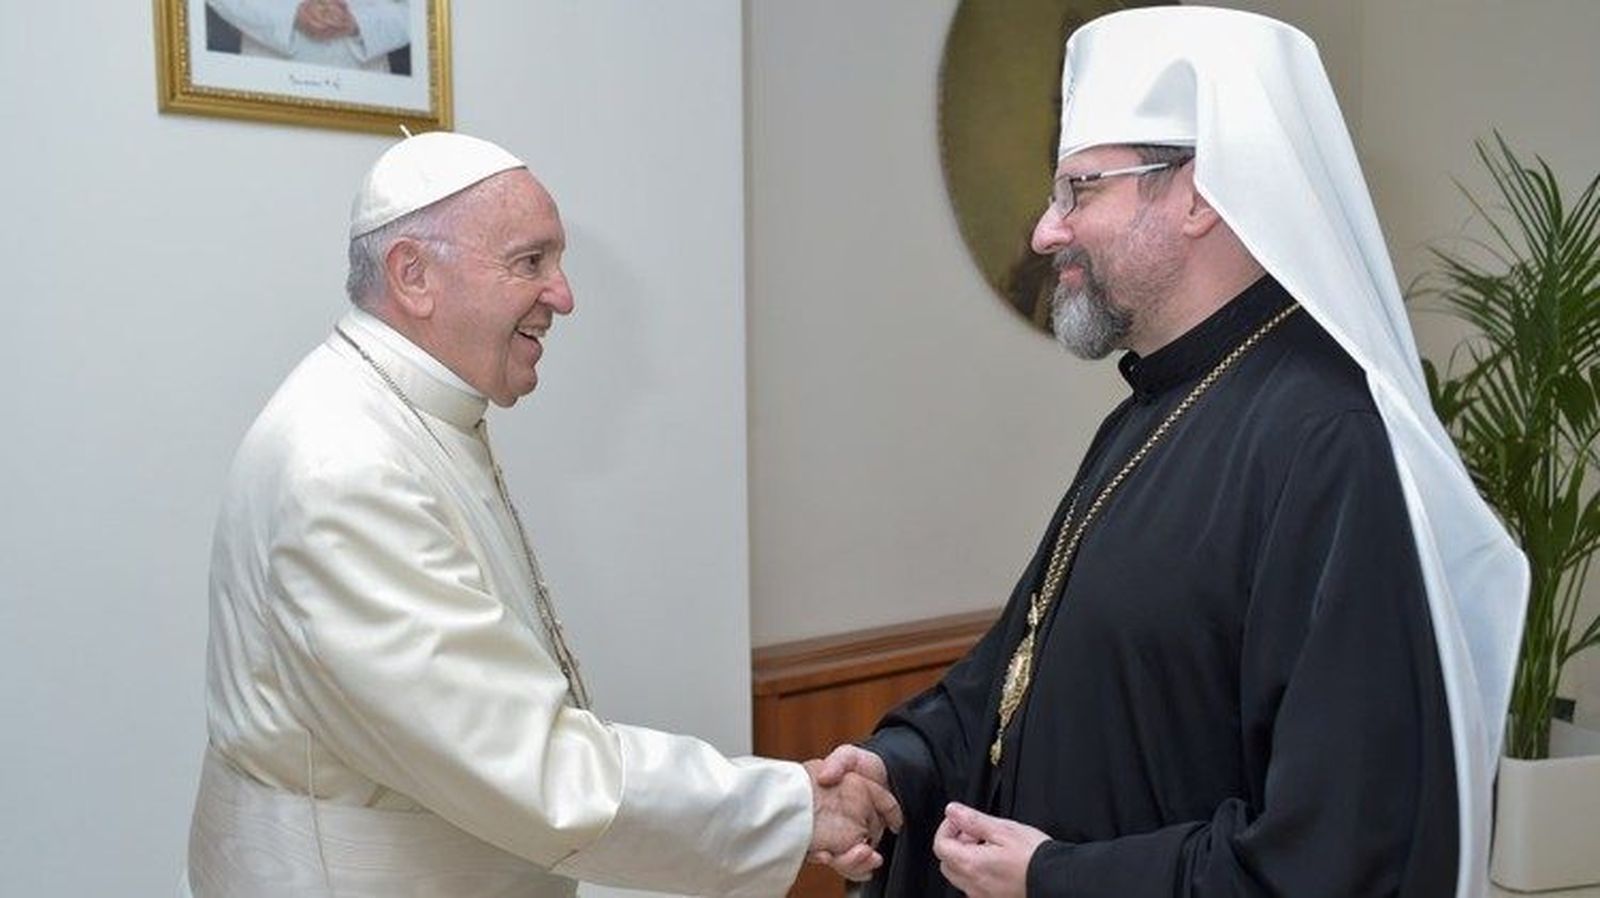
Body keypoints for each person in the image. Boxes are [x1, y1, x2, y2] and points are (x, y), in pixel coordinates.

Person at [813, 7, 1527, 897]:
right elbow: (1014, 674)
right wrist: (898, 766)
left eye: (1081, 189)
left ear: (1198, 193)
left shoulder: (1329, 442)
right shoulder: (1150, 408)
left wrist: (1055, 878)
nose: (1046, 230)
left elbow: (1337, 850)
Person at [185, 132, 900, 898]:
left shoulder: (400, 416)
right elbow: (530, 766)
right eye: (530, 262)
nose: (563, 295)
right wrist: (796, 809)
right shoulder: (347, 466)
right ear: (414, 275)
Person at [206, 0, 409, 73]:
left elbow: (428, 12)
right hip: (268, 69)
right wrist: (289, 15)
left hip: (366, 82)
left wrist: (359, 22)